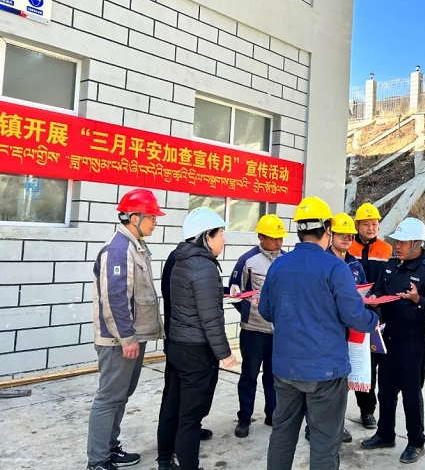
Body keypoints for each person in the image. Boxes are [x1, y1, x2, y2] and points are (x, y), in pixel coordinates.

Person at [259, 196, 379, 470]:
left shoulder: (279, 265)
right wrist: (372, 320)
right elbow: (354, 316)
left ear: (299, 230)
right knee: (325, 442)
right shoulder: (335, 267)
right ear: (327, 228)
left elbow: (266, 310)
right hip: (326, 371)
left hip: (286, 368)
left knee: (282, 434)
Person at [87, 188, 166, 470]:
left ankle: (110, 448)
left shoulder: (135, 245)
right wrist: (127, 338)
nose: (155, 222)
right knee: (109, 398)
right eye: (152, 217)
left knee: (121, 396)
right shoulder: (118, 250)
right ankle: (97, 461)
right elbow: (115, 298)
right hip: (118, 341)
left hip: (132, 338)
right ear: (135, 218)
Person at [361, 217, 425, 465]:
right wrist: (373, 298)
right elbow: (379, 289)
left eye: (402, 242)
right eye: (396, 241)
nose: (396, 246)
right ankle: (385, 433)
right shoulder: (391, 264)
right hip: (388, 337)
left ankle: (416, 441)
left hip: (413, 341)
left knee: (411, 393)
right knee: (386, 390)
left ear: (417, 244)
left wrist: (418, 299)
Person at [157, 207, 237, 470]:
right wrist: (225, 353)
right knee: (190, 418)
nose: (224, 240)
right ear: (206, 236)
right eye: (220, 234)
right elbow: (210, 319)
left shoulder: (180, 259)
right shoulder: (204, 267)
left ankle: (165, 459)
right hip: (197, 352)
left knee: (173, 405)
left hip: (178, 345)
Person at [304, 212, 366, 443]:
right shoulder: (322, 261)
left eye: (351, 236)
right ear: (330, 234)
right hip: (325, 331)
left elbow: (362, 291)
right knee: (318, 382)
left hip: (349, 329)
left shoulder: (355, 264)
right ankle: (313, 427)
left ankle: (336, 426)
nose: (347, 239)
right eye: (342, 235)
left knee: (341, 384)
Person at [229, 214, 288, 438]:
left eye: (280, 238)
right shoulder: (247, 261)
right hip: (253, 331)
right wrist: (248, 313)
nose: (278, 242)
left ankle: (272, 414)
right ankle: (244, 418)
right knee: (249, 376)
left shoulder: (287, 260)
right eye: (273, 238)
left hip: (278, 332)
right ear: (261, 237)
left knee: (274, 377)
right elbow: (235, 293)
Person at [348, 202, 393, 429]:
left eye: (374, 224)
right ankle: (360, 406)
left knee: (374, 363)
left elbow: (391, 280)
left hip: (378, 314)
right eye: (366, 224)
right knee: (358, 362)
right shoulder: (348, 247)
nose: (371, 228)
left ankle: (368, 411)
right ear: (357, 225)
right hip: (352, 313)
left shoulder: (387, 249)